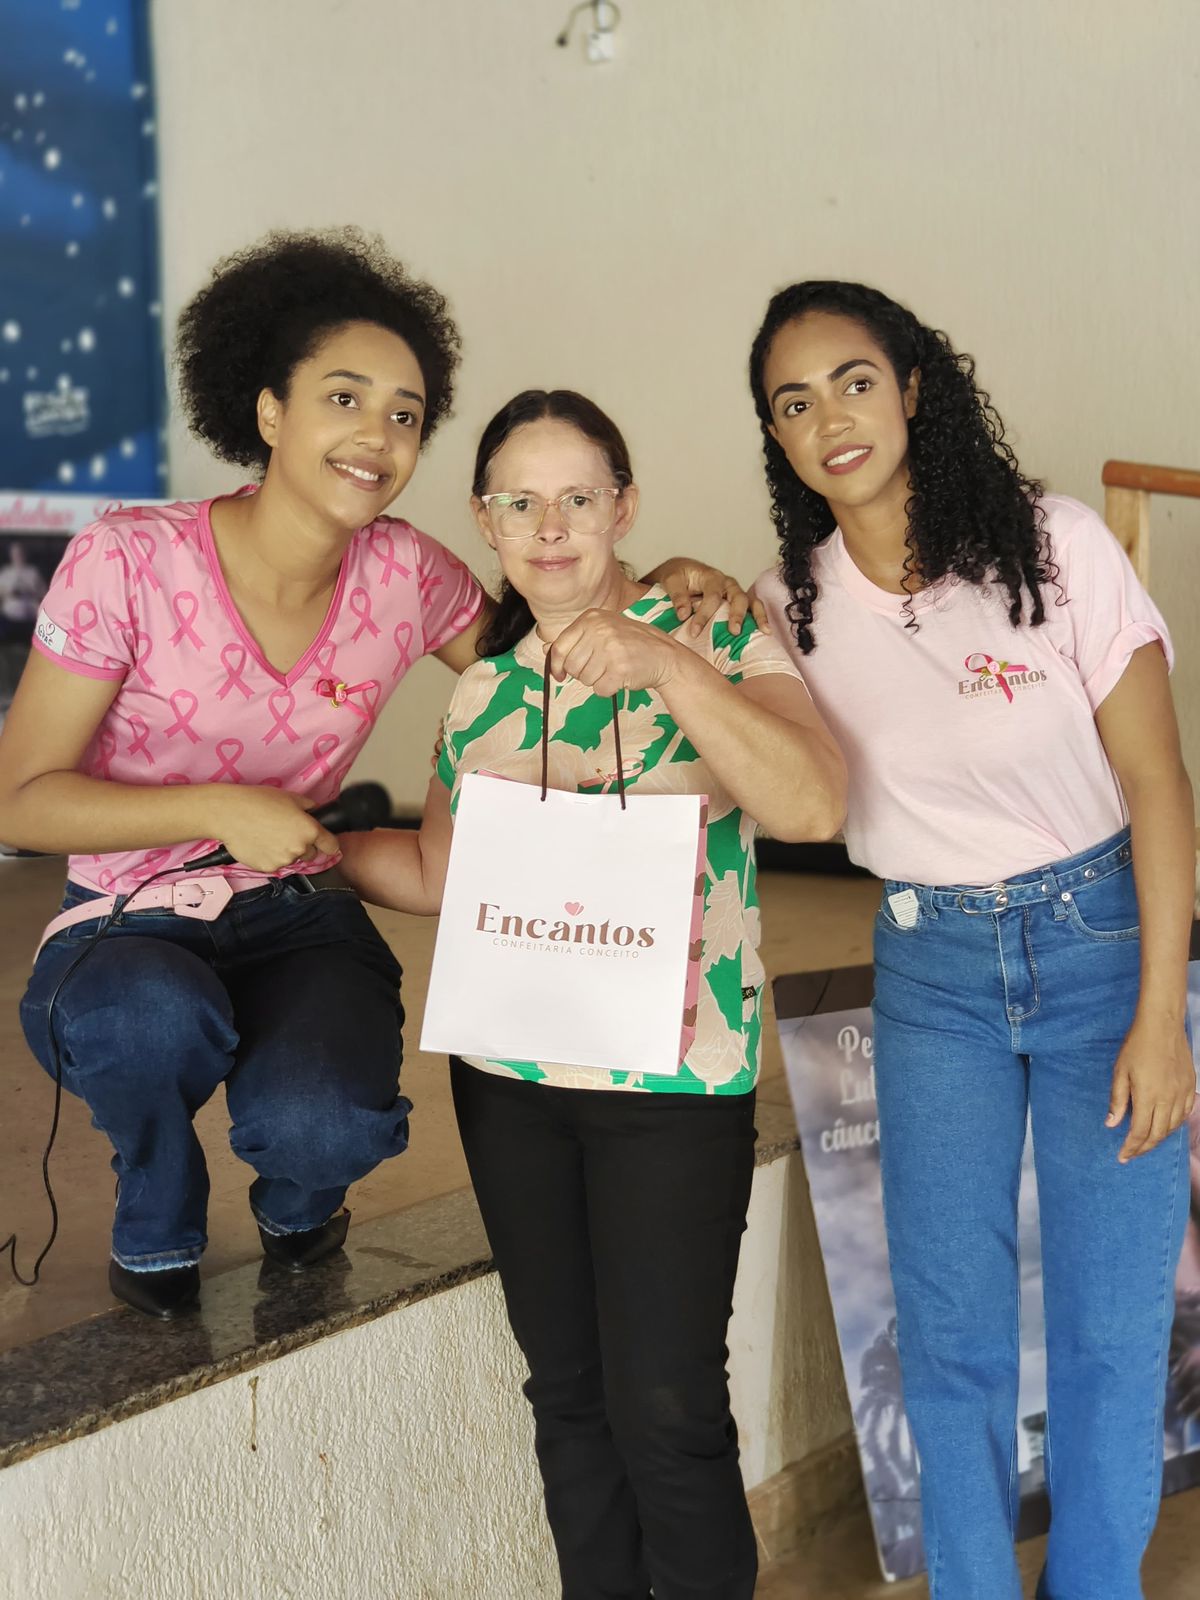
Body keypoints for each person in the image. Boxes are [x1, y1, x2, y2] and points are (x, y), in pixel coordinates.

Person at [0, 229, 744, 1320]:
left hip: (297, 908)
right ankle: (154, 1192)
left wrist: (658, 585)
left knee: (327, 1121)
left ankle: (301, 1200)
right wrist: (223, 807)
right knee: (148, 1019)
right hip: (127, 917)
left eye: (405, 414)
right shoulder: (129, 558)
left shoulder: (404, 572)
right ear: (269, 412)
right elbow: (20, 799)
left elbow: (544, 647)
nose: (378, 436)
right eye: (343, 398)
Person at [336, 388, 847, 1600]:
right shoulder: (482, 691)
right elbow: (442, 873)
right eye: (520, 502)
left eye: (578, 497)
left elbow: (812, 804)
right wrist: (309, 846)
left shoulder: (717, 632)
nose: (551, 526)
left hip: (675, 1083)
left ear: (625, 506)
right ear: (486, 519)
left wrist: (662, 659)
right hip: (512, 1075)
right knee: (566, 1396)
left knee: (667, 1405)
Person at [747, 280, 1197, 1600]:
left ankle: (1096, 1584)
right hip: (929, 967)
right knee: (949, 1330)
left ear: (913, 387)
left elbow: (1160, 784)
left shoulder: (1054, 547)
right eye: (793, 402)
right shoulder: (787, 605)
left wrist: (1162, 1013)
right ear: (776, 436)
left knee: (1114, 1324)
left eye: (853, 381)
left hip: (1102, 943)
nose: (829, 418)